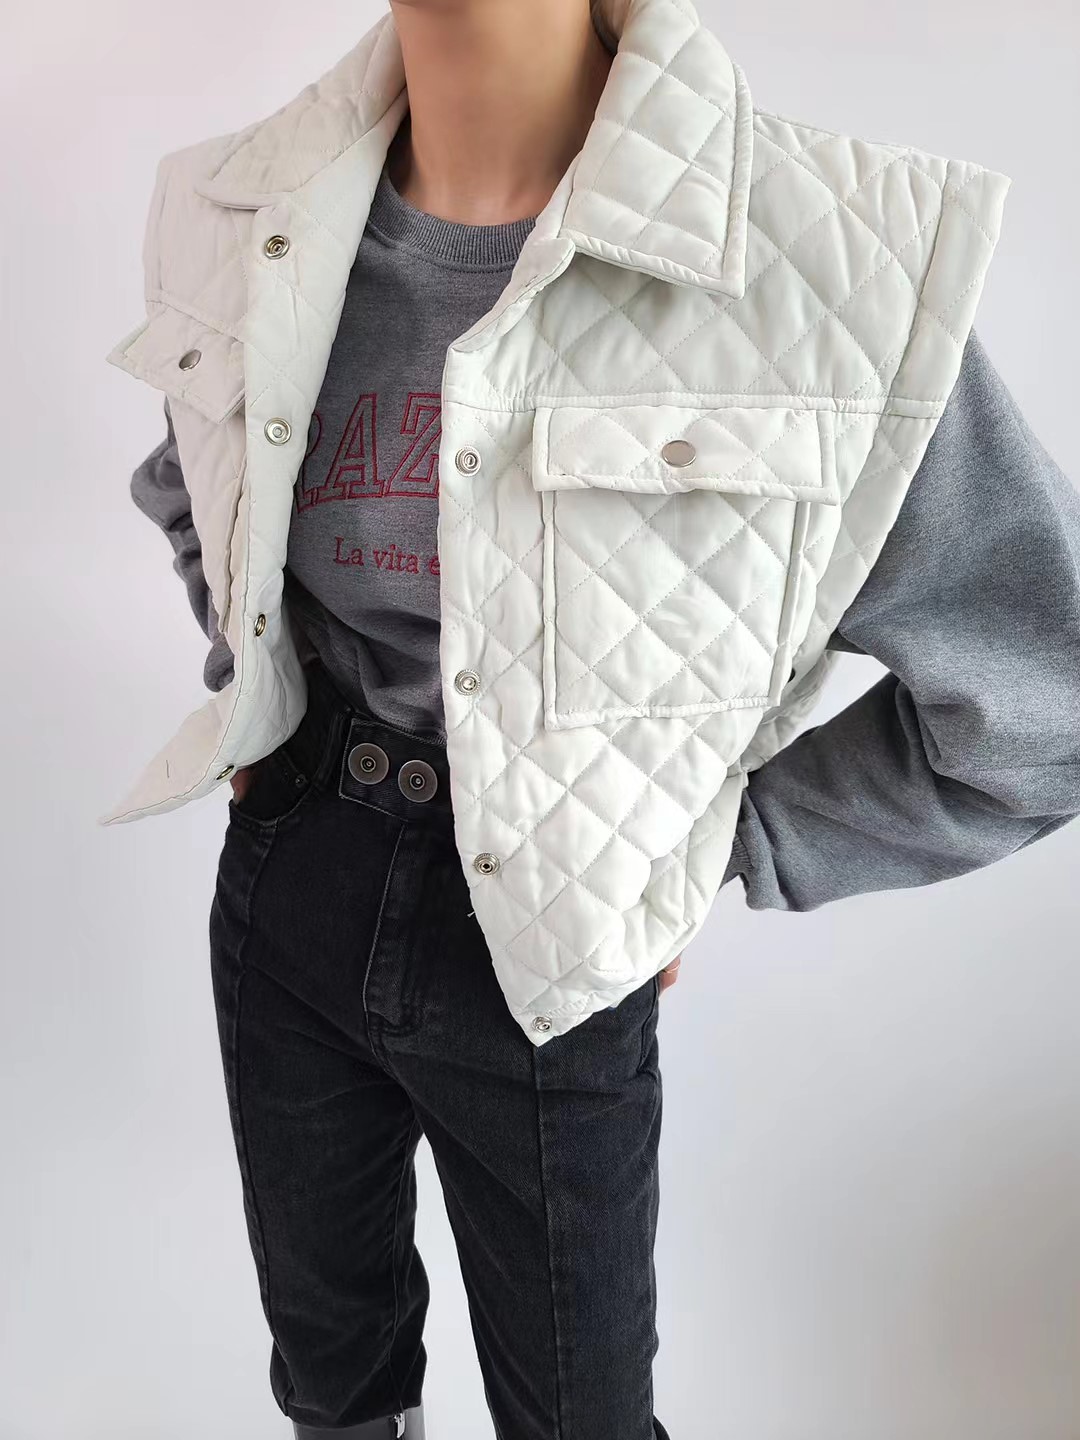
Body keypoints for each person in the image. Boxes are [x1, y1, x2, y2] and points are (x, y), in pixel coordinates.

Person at [107, 0, 1080, 1435]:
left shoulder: (837, 261)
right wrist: (259, 688)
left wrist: (712, 840)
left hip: (548, 964)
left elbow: (1044, 702)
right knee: (330, 1381)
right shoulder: (239, 206)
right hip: (288, 884)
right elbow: (195, 481)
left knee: (581, 1418)